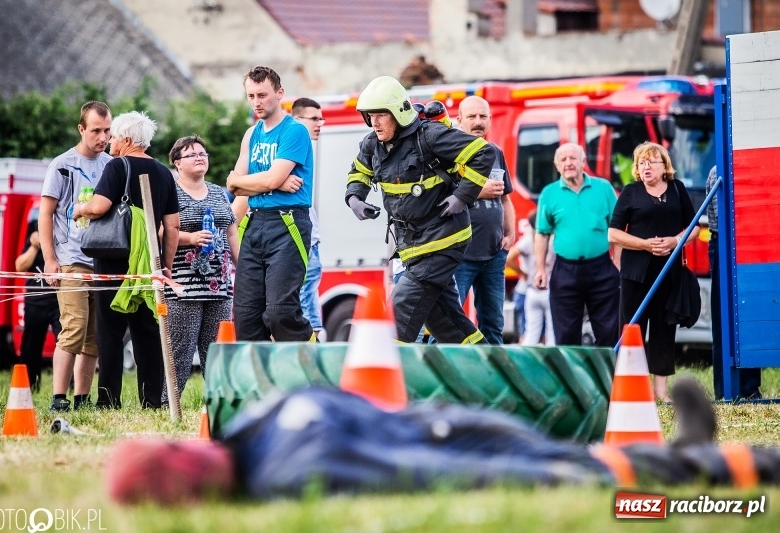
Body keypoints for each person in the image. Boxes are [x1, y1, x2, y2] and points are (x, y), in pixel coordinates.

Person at [105, 378, 780, 505]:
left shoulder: (250, 431)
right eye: (170, 458)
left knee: (574, 453)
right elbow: (417, 473)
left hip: (439, 420)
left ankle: (687, 450)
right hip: (457, 448)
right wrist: (537, 480)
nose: (177, 446)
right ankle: (734, 467)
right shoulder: (287, 471)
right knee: (583, 467)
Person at [345, 76, 495, 343]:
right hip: (412, 247)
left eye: (381, 115)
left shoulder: (430, 136)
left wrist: (462, 196)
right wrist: (355, 198)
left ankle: (391, 368)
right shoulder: (372, 144)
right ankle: (485, 364)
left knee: (397, 315)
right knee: (446, 322)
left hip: (443, 242)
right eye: (370, 116)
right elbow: (360, 171)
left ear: (399, 113)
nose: (375, 122)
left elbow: (483, 153)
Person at [73, 111, 179, 409]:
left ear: (128, 140)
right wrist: (165, 266)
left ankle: (108, 399)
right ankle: (151, 400)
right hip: (148, 263)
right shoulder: (164, 173)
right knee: (147, 332)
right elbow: (172, 226)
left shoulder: (117, 166)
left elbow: (99, 206)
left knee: (110, 331)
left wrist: (80, 208)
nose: (109, 141)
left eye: (115, 136)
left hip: (114, 259)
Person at [226, 66, 315, 342]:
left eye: (262, 95)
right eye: (251, 96)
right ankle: (261, 371)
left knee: (280, 312)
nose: (256, 102)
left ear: (279, 93)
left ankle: (314, 359)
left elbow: (263, 179)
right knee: (245, 316)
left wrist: (268, 181)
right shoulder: (251, 134)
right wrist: (272, 182)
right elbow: (232, 185)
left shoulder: (294, 131)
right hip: (255, 223)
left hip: (287, 223)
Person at [608, 142, 700, 402]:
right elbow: (613, 233)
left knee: (664, 329)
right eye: (641, 163)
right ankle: (631, 388)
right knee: (632, 328)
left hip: (668, 272)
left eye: (651, 162)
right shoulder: (631, 192)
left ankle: (661, 392)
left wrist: (675, 241)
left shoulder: (677, 189)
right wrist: (645, 245)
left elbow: (693, 227)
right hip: (635, 273)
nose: (645, 167)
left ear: (664, 166)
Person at [39, 100, 112, 411]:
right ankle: (59, 398)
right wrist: (50, 260)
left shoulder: (111, 164)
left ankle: (82, 398)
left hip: (102, 260)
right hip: (71, 259)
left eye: (107, 131)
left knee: (95, 335)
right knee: (73, 328)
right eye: (96, 130)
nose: (103, 137)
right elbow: (45, 214)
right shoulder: (62, 164)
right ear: (81, 129)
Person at [160, 135, 239, 404]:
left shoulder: (218, 192)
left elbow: (231, 232)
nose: (199, 157)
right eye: (191, 154)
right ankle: (167, 404)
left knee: (217, 349)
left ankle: (220, 402)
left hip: (220, 286)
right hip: (184, 285)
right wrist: (190, 238)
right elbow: (159, 231)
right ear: (177, 163)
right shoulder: (170, 192)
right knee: (180, 350)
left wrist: (242, 269)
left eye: (202, 153)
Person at [534, 143, 619, 348]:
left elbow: (617, 230)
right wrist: (540, 269)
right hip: (565, 270)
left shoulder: (604, 188)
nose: (568, 163)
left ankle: (608, 369)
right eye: (563, 160)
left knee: (609, 331)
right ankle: (571, 370)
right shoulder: (549, 193)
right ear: (557, 165)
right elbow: (542, 234)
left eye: (573, 158)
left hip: (602, 268)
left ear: (583, 162)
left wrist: (618, 263)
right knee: (565, 334)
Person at [452, 95, 515, 344]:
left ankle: (492, 369)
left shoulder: (495, 152)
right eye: (471, 116)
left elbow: (505, 199)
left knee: (494, 325)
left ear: (489, 120)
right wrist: (479, 190)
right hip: (460, 255)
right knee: (449, 323)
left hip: (493, 255)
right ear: (459, 120)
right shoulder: (449, 152)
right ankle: (444, 368)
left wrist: (510, 234)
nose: (478, 122)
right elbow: (440, 197)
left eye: (482, 116)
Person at [706, 165, 761, 399]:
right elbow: (722, 217)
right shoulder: (718, 170)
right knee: (723, 318)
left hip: (750, 240)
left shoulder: (752, 164)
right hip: (724, 241)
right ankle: (724, 389)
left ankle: (750, 388)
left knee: (750, 315)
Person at [290, 97, 325, 339]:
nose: (319, 124)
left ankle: (313, 341)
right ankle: (311, 343)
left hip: (310, 238)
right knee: (304, 295)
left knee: (308, 292)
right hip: (302, 239)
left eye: (321, 119)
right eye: (314, 119)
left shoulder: (306, 149)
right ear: (296, 119)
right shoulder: (293, 150)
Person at [14, 220, 61, 392]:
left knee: (66, 343)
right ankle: (28, 387)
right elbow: (20, 266)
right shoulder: (35, 227)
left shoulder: (63, 227)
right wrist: (34, 246)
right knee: (30, 348)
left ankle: (69, 387)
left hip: (59, 300)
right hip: (35, 300)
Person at [507, 211, 555, 346]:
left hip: (531, 290)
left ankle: (526, 358)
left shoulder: (528, 240)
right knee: (551, 335)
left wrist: (524, 274)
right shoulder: (553, 241)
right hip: (549, 291)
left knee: (530, 335)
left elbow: (509, 258)